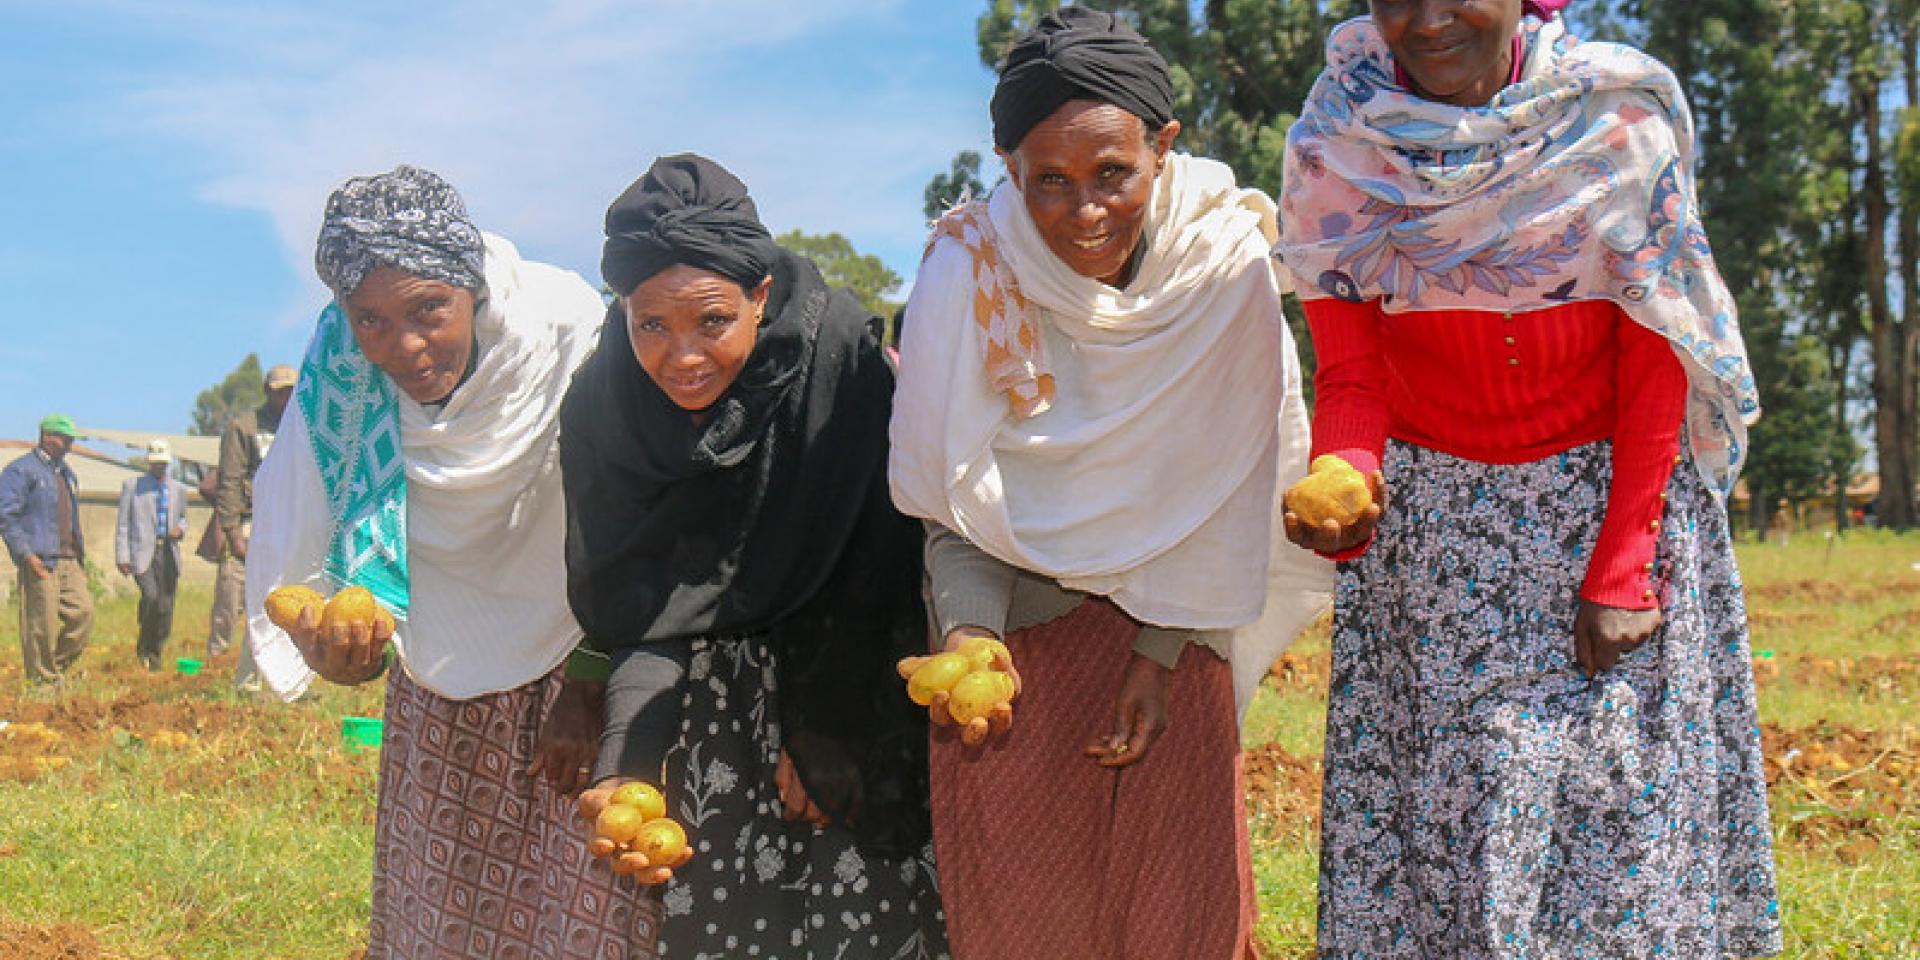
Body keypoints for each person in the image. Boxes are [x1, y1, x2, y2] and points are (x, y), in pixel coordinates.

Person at [1273, 1, 1782, 956]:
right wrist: (1345, 474)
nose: (1425, 20)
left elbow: (1655, 350)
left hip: (1606, 508)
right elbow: (1352, 375)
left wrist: (1626, 562)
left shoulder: (1614, 125)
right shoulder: (1338, 145)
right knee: (1452, 842)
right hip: (1437, 543)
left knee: (1621, 833)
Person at [888, 9, 1332, 958]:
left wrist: (1163, 649)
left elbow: (1235, 477)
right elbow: (951, 503)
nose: (1083, 210)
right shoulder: (967, 272)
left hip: (1178, 635)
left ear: (1162, 147)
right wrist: (969, 637)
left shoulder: (1222, 266)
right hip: (1011, 657)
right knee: (1024, 924)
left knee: (1183, 916)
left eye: (1112, 175)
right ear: (1007, 165)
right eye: (1048, 181)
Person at [245, 165, 643, 958]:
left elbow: (640, 520)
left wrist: (595, 677)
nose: (405, 346)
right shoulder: (342, 378)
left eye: (429, 309)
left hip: (575, 683)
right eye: (371, 320)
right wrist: (337, 654)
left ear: (473, 288)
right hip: (436, 696)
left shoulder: (568, 333)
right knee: (444, 926)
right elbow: (320, 553)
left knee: (585, 923)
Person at [561, 153, 948, 959]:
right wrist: (625, 764)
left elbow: (879, 572)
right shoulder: (608, 405)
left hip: (849, 681)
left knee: (860, 914)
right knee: (725, 925)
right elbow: (643, 605)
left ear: (760, 294)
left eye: (712, 321)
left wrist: (826, 735)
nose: (682, 357)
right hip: (703, 712)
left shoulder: (840, 368)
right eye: (650, 326)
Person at [210, 362, 295, 691]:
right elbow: (229, 481)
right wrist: (232, 531)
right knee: (236, 602)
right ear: (267, 393)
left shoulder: (300, 428)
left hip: (287, 524)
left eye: (291, 391)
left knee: (286, 603)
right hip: (252, 523)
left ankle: (285, 681)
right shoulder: (243, 428)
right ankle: (243, 678)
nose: (285, 398)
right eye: (279, 392)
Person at [0, 414, 95, 687]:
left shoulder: (66, 473)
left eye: (72, 440)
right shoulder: (20, 471)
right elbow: (6, 516)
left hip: (69, 559)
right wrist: (27, 555)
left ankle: (53, 668)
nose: (70, 446)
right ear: (48, 438)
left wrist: (79, 558)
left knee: (84, 615)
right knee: (41, 626)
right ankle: (43, 682)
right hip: (40, 559)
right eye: (66, 440)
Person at [115, 439, 189, 671]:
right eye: (156, 464)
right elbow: (123, 523)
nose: (159, 468)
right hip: (142, 552)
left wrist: (181, 529)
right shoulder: (133, 486)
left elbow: (183, 517)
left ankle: (155, 652)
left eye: (163, 464)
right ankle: (143, 646)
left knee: (166, 606)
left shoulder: (178, 489)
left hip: (167, 552)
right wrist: (122, 555)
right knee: (151, 597)